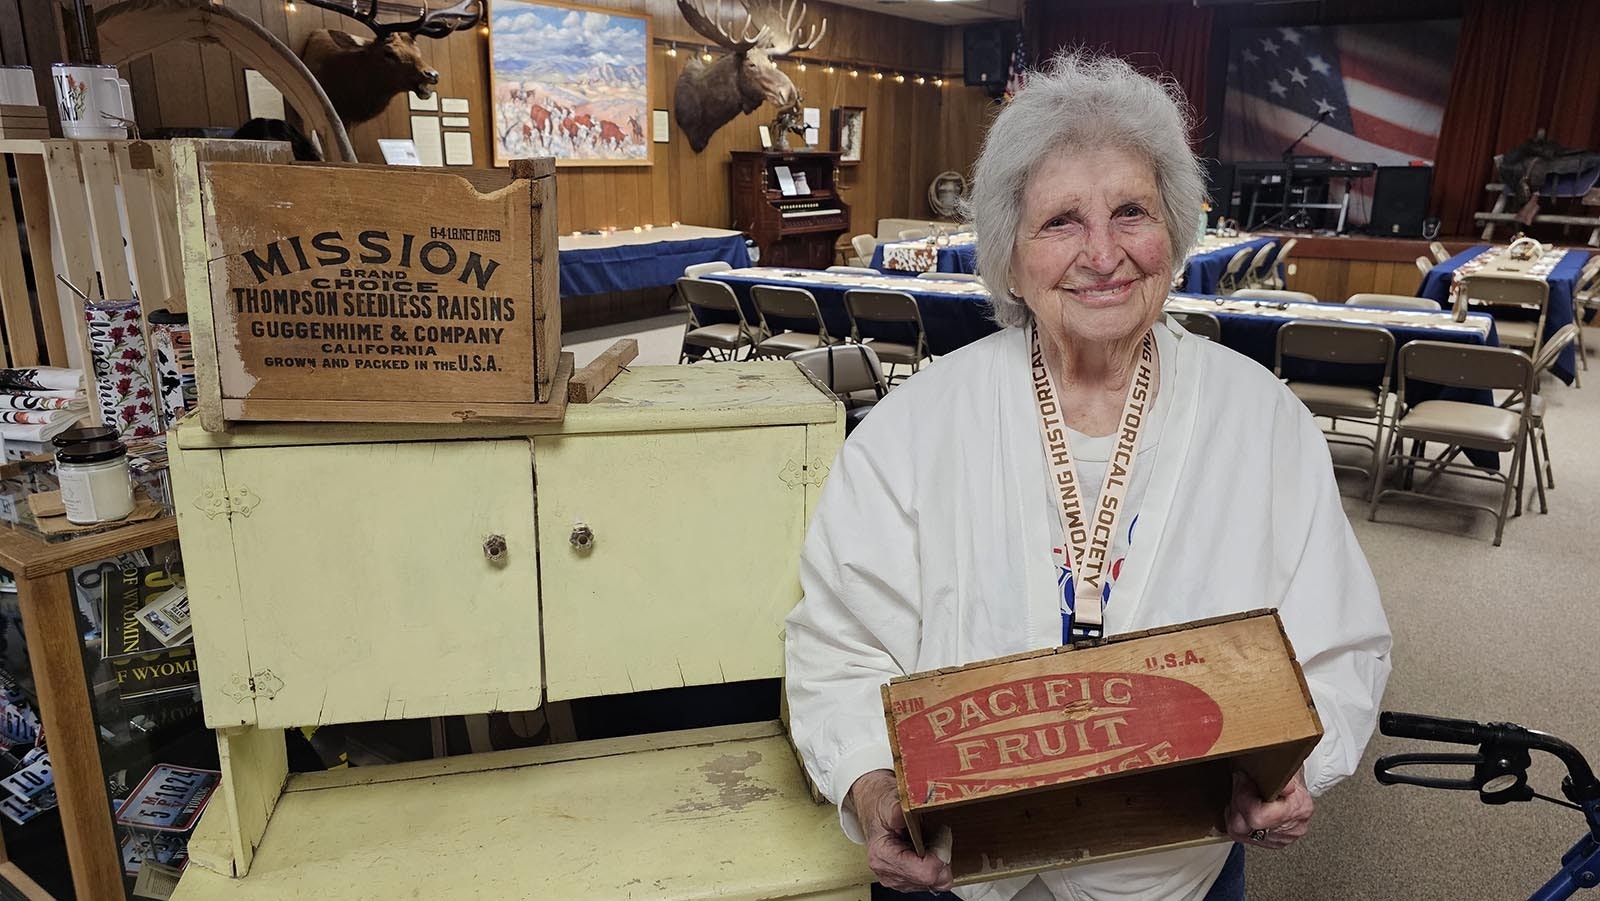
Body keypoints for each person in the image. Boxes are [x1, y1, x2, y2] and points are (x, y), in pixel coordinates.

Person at [784, 52, 1392, 901]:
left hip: (1175, 866)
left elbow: (1339, 641)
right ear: (1010, 253)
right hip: (957, 872)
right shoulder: (917, 426)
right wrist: (870, 784)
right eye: (1062, 220)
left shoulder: (1265, 423)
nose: (1103, 253)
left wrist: (1302, 767)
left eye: (1132, 211)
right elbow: (837, 641)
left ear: (1175, 234)